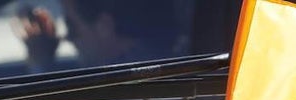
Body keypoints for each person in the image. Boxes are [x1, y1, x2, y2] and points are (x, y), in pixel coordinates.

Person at [18, 0, 181, 71]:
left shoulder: (114, 86)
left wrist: (39, 62)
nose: (67, 38)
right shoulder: (169, 65)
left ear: (104, 25)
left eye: (72, 26)